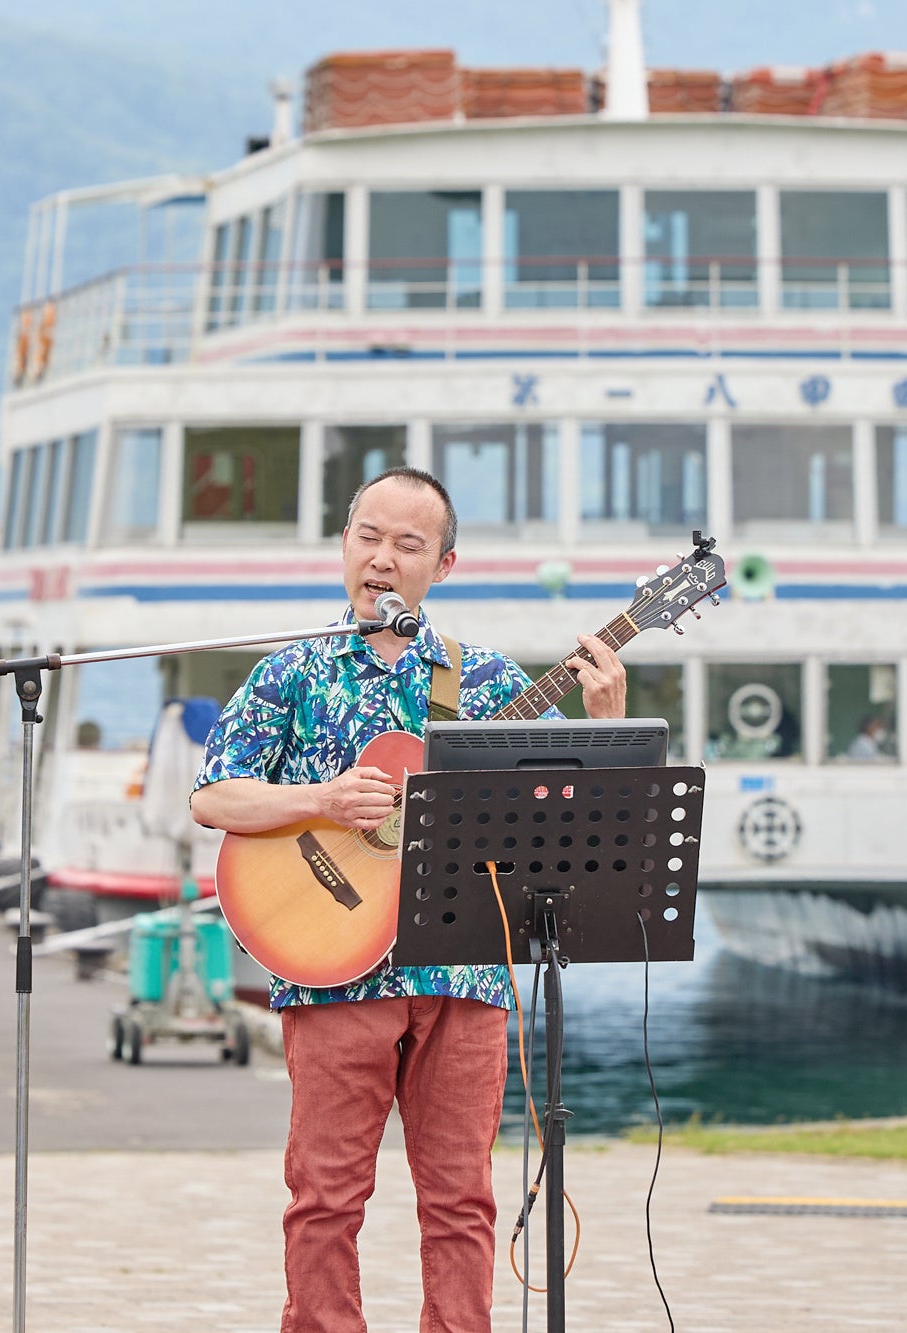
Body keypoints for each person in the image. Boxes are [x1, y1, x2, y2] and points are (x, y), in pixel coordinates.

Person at [188, 467, 626, 1333]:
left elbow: (572, 815)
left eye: (408, 545)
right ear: (344, 545)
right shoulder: (293, 671)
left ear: (444, 565)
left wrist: (606, 721)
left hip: (463, 971)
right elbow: (213, 796)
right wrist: (321, 800)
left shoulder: (488, 679)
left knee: (463, 1199)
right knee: (324, 1196)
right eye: (368, 537)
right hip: (331, 966)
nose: (382, 559)